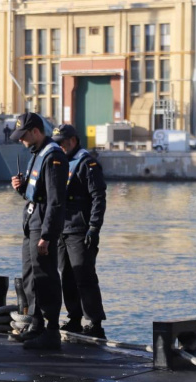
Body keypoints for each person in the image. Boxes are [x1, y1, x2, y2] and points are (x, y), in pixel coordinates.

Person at [9, 112, 69, 350]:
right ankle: (36, 323)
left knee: (45, 276)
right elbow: (37, 193)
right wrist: (22, 189)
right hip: (31, 221)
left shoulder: (53, 156)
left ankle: (51, 330)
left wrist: (47, 235)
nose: (21, 140)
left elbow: (55, 201)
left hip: (42, 224)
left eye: (24, 135)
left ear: (35, 131)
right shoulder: (36, 154)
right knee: (30, 276)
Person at [52, 124, 108, 339]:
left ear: (73, 141)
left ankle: (94, 322)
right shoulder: (60, 161)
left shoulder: (88, 163)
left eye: (62, 143)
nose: (59, 146)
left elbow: (98, 197)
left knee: (84, 276)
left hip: (80, 229)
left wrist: (94, 227)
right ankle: (74, 318)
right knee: (66, 275)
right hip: (62, 229)